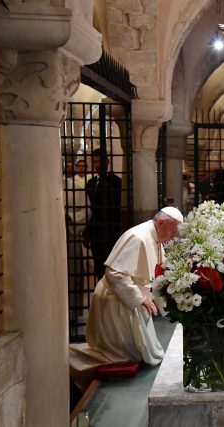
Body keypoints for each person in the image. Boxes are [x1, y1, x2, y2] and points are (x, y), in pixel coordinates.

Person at [69, 207, 184, 385]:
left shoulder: (155, 238)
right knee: (117, 355)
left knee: (134, 353)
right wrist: (141, 299)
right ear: (161, 223)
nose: (173, 236)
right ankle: (68, 359)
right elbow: (115, 274)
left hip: (130, 300)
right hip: (116, 301)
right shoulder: (138, 237)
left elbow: (159, 273)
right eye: (172, 231)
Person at [85, 148, 122, 279]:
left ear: (107, 162)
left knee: (112, 268)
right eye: (94, 162)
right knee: (99, 268)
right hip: (96, 233)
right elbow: (90, 210)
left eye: (100, 161)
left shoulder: (117, 182)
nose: (97, 165)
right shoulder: (91, 183)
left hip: (112, 231)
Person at [64, 158, 90, 322]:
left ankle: (72, 312)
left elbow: (86, 211)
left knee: (73, 272)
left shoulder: (77, 187)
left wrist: (70, 216)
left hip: (70, 233)